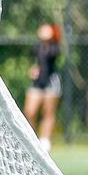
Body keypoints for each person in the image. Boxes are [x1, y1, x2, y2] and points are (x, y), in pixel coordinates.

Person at [23, 22, 62, 152]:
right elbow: (35, 62)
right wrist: (33, 69)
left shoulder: (54, 48)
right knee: (30, 111)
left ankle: (45, 140)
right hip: (37, 83)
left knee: (48, 112)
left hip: (50, 82)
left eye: (47, 29)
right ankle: (31, 138)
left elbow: (49, 58)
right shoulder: (37, 47)